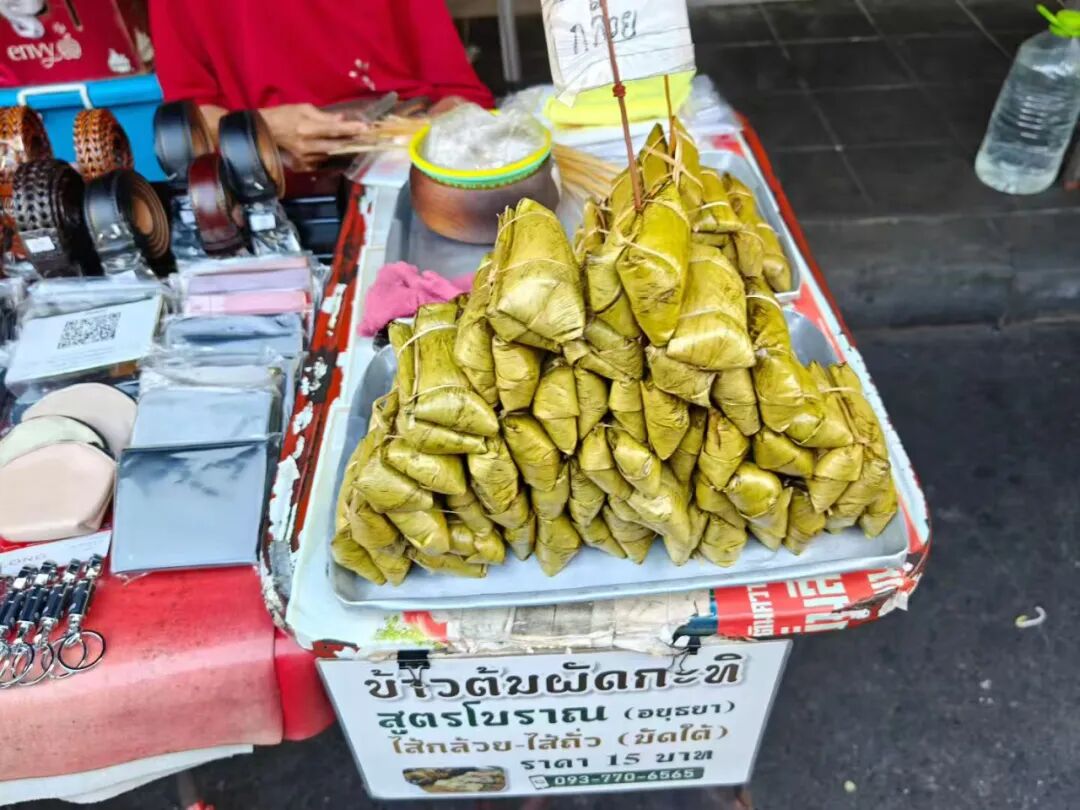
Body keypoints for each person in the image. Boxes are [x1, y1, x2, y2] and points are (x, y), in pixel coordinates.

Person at [151, 0, 494, 169]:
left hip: (409, 175)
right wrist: (267, 128)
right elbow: (186, 125)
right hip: (281, 196)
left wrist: (441, 132)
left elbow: (459, 93)